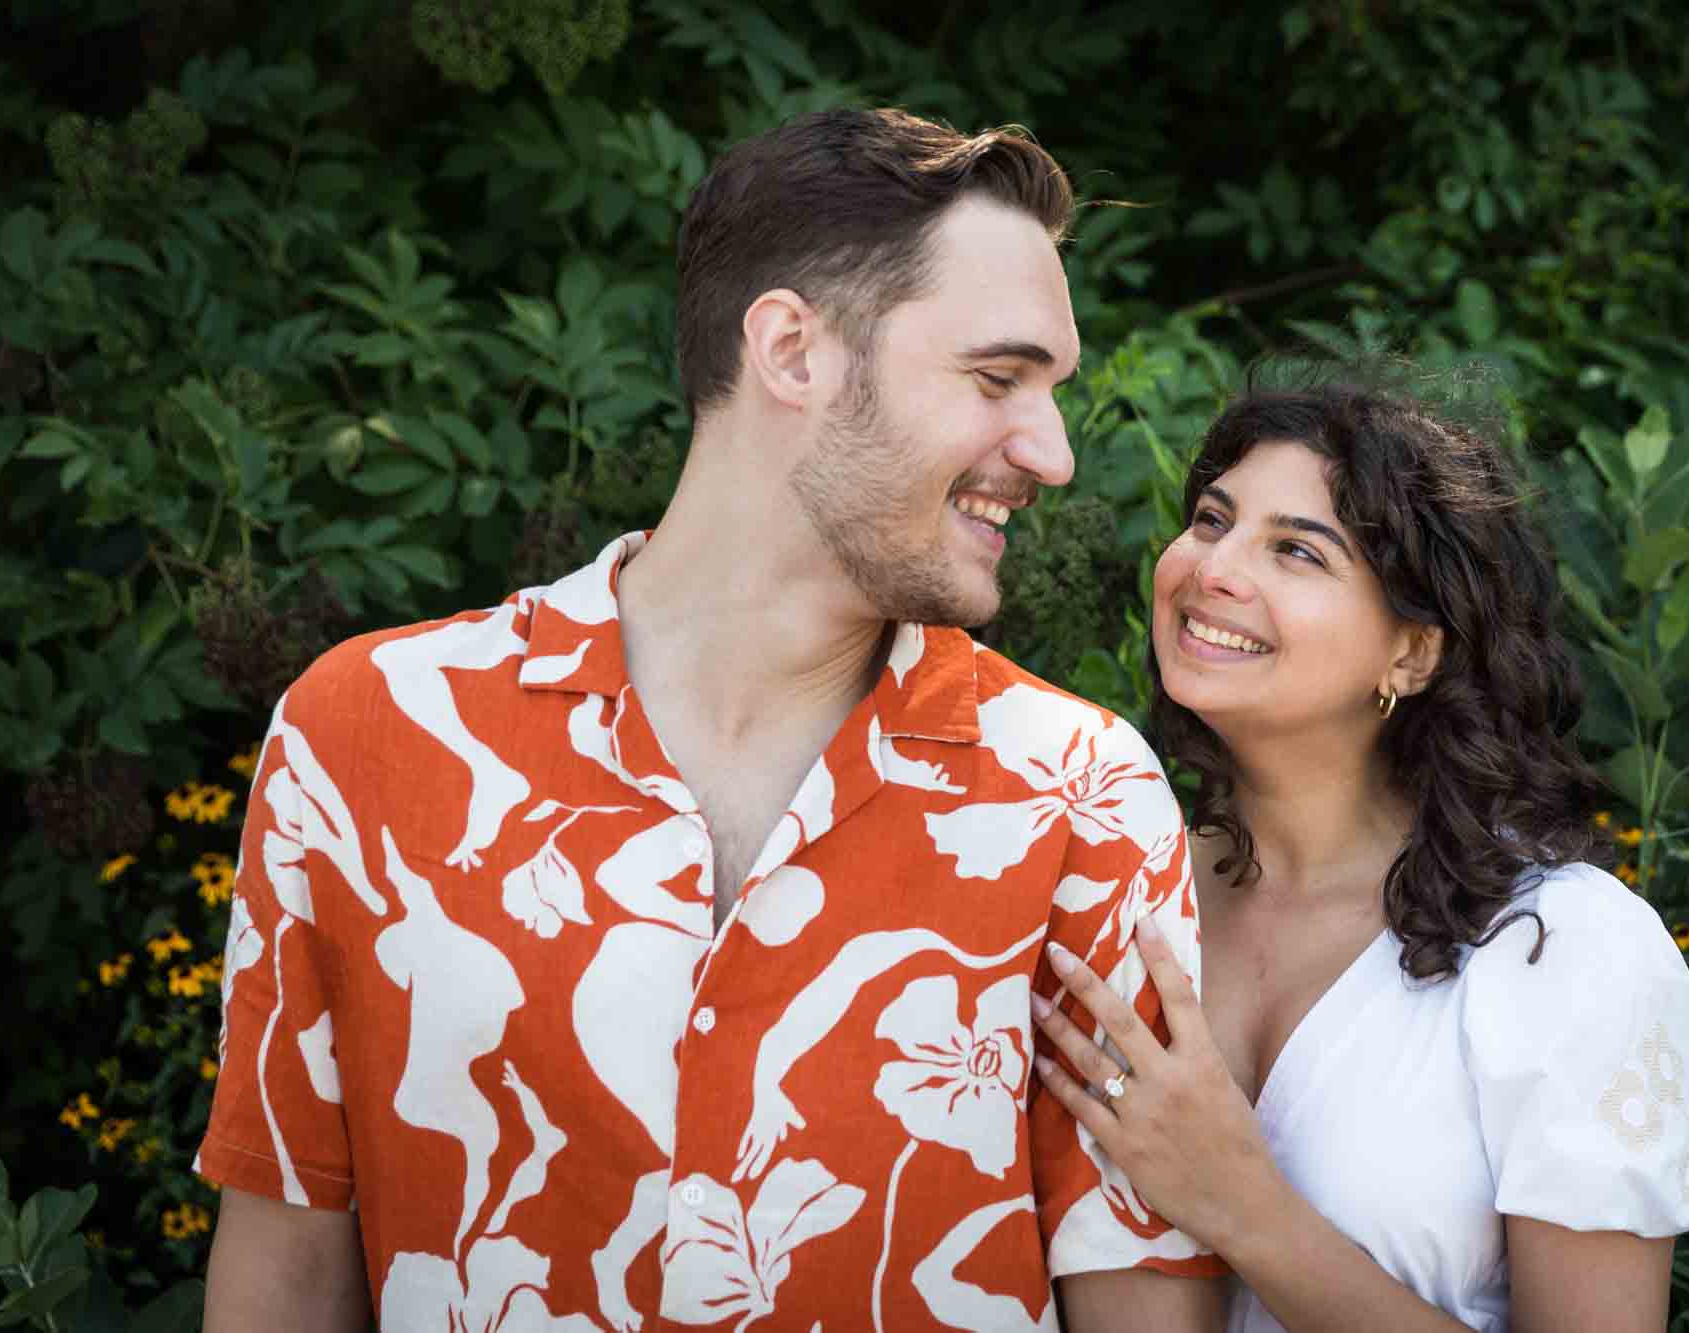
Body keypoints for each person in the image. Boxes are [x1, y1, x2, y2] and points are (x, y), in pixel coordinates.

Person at [196, 107, 1227, 1332]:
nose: (1051, 452)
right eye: (998, 378)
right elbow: (287, 1257)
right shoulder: (364, 732)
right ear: (792, 350)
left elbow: (1137, 1303)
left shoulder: (1079, 792)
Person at [1030, 364, 1689, 1332]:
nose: (1213, 566)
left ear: (1411, 652)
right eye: (1211, 518)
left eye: (1296, 550)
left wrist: (1244, 1208)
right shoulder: (1101, 891)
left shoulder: (1562, 946)